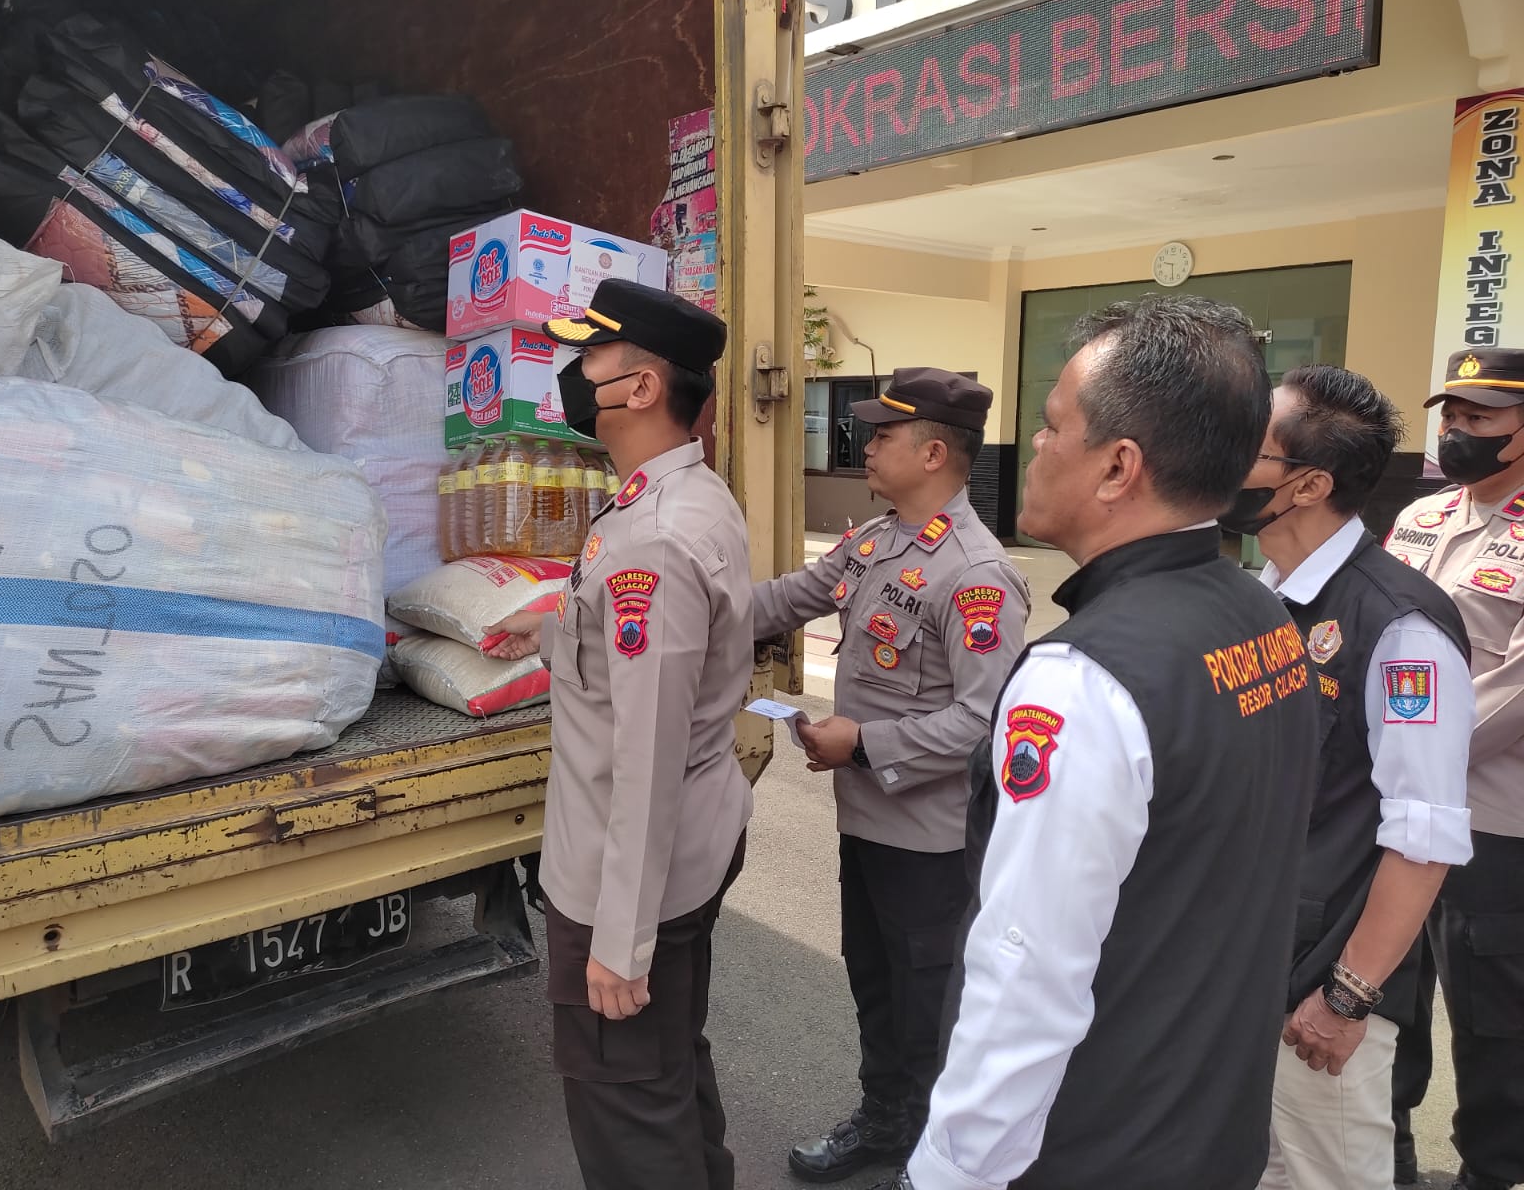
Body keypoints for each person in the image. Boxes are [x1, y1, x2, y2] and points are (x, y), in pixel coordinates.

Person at [887, 296, 1322, 1190]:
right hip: (1211, 1126)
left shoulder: (1084, 677)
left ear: (1119, 466)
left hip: (1095, 1144)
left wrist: (953, 1169)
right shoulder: (1260, 610)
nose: (1035, 446)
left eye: (1053, 426)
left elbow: (1025, 967)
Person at [483, 279, 753, 1190]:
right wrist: (554, 627)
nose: (572, 373)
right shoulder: (675, 498)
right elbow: (648, 657)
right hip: (684, 852)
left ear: (641, 388)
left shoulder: (654, 539)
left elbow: (648, 753)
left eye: (590, 356)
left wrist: (619, 942)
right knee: (665, 1065)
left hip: (622, 879)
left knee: (626, 1105)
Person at [752, 368, 1030, 1184]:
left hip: (929, 845)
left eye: (882, 435)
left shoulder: (976, 576)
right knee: (876, 985)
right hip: (867, 824)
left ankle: (941, 1154)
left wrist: (864, 743)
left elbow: (987, 722)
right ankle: (885, 1122)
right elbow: (784, 600)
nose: (865, 446)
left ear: (934, 453)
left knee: (928, 1005)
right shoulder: (877, 540)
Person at [1219, 365, 1474, 1190]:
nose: (1220, 456)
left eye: (1249, 445)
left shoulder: (1400, 628)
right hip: (1241, 969)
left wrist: (1346, 998)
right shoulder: (1260, 598)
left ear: (1309, 485)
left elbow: (1423, 838)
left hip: (1318, 998)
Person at [1382, 348, 1524, 1190]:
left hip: (1490, 817)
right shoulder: (1419, 517)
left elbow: (1515, 689)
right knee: (1385, 994)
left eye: (1482, 418)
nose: (1459, 432)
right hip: (1394, 804)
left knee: (1492, 1018)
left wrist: (1411, 748)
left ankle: (1491, 1173)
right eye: (1453, 416)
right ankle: (1388, 1158)